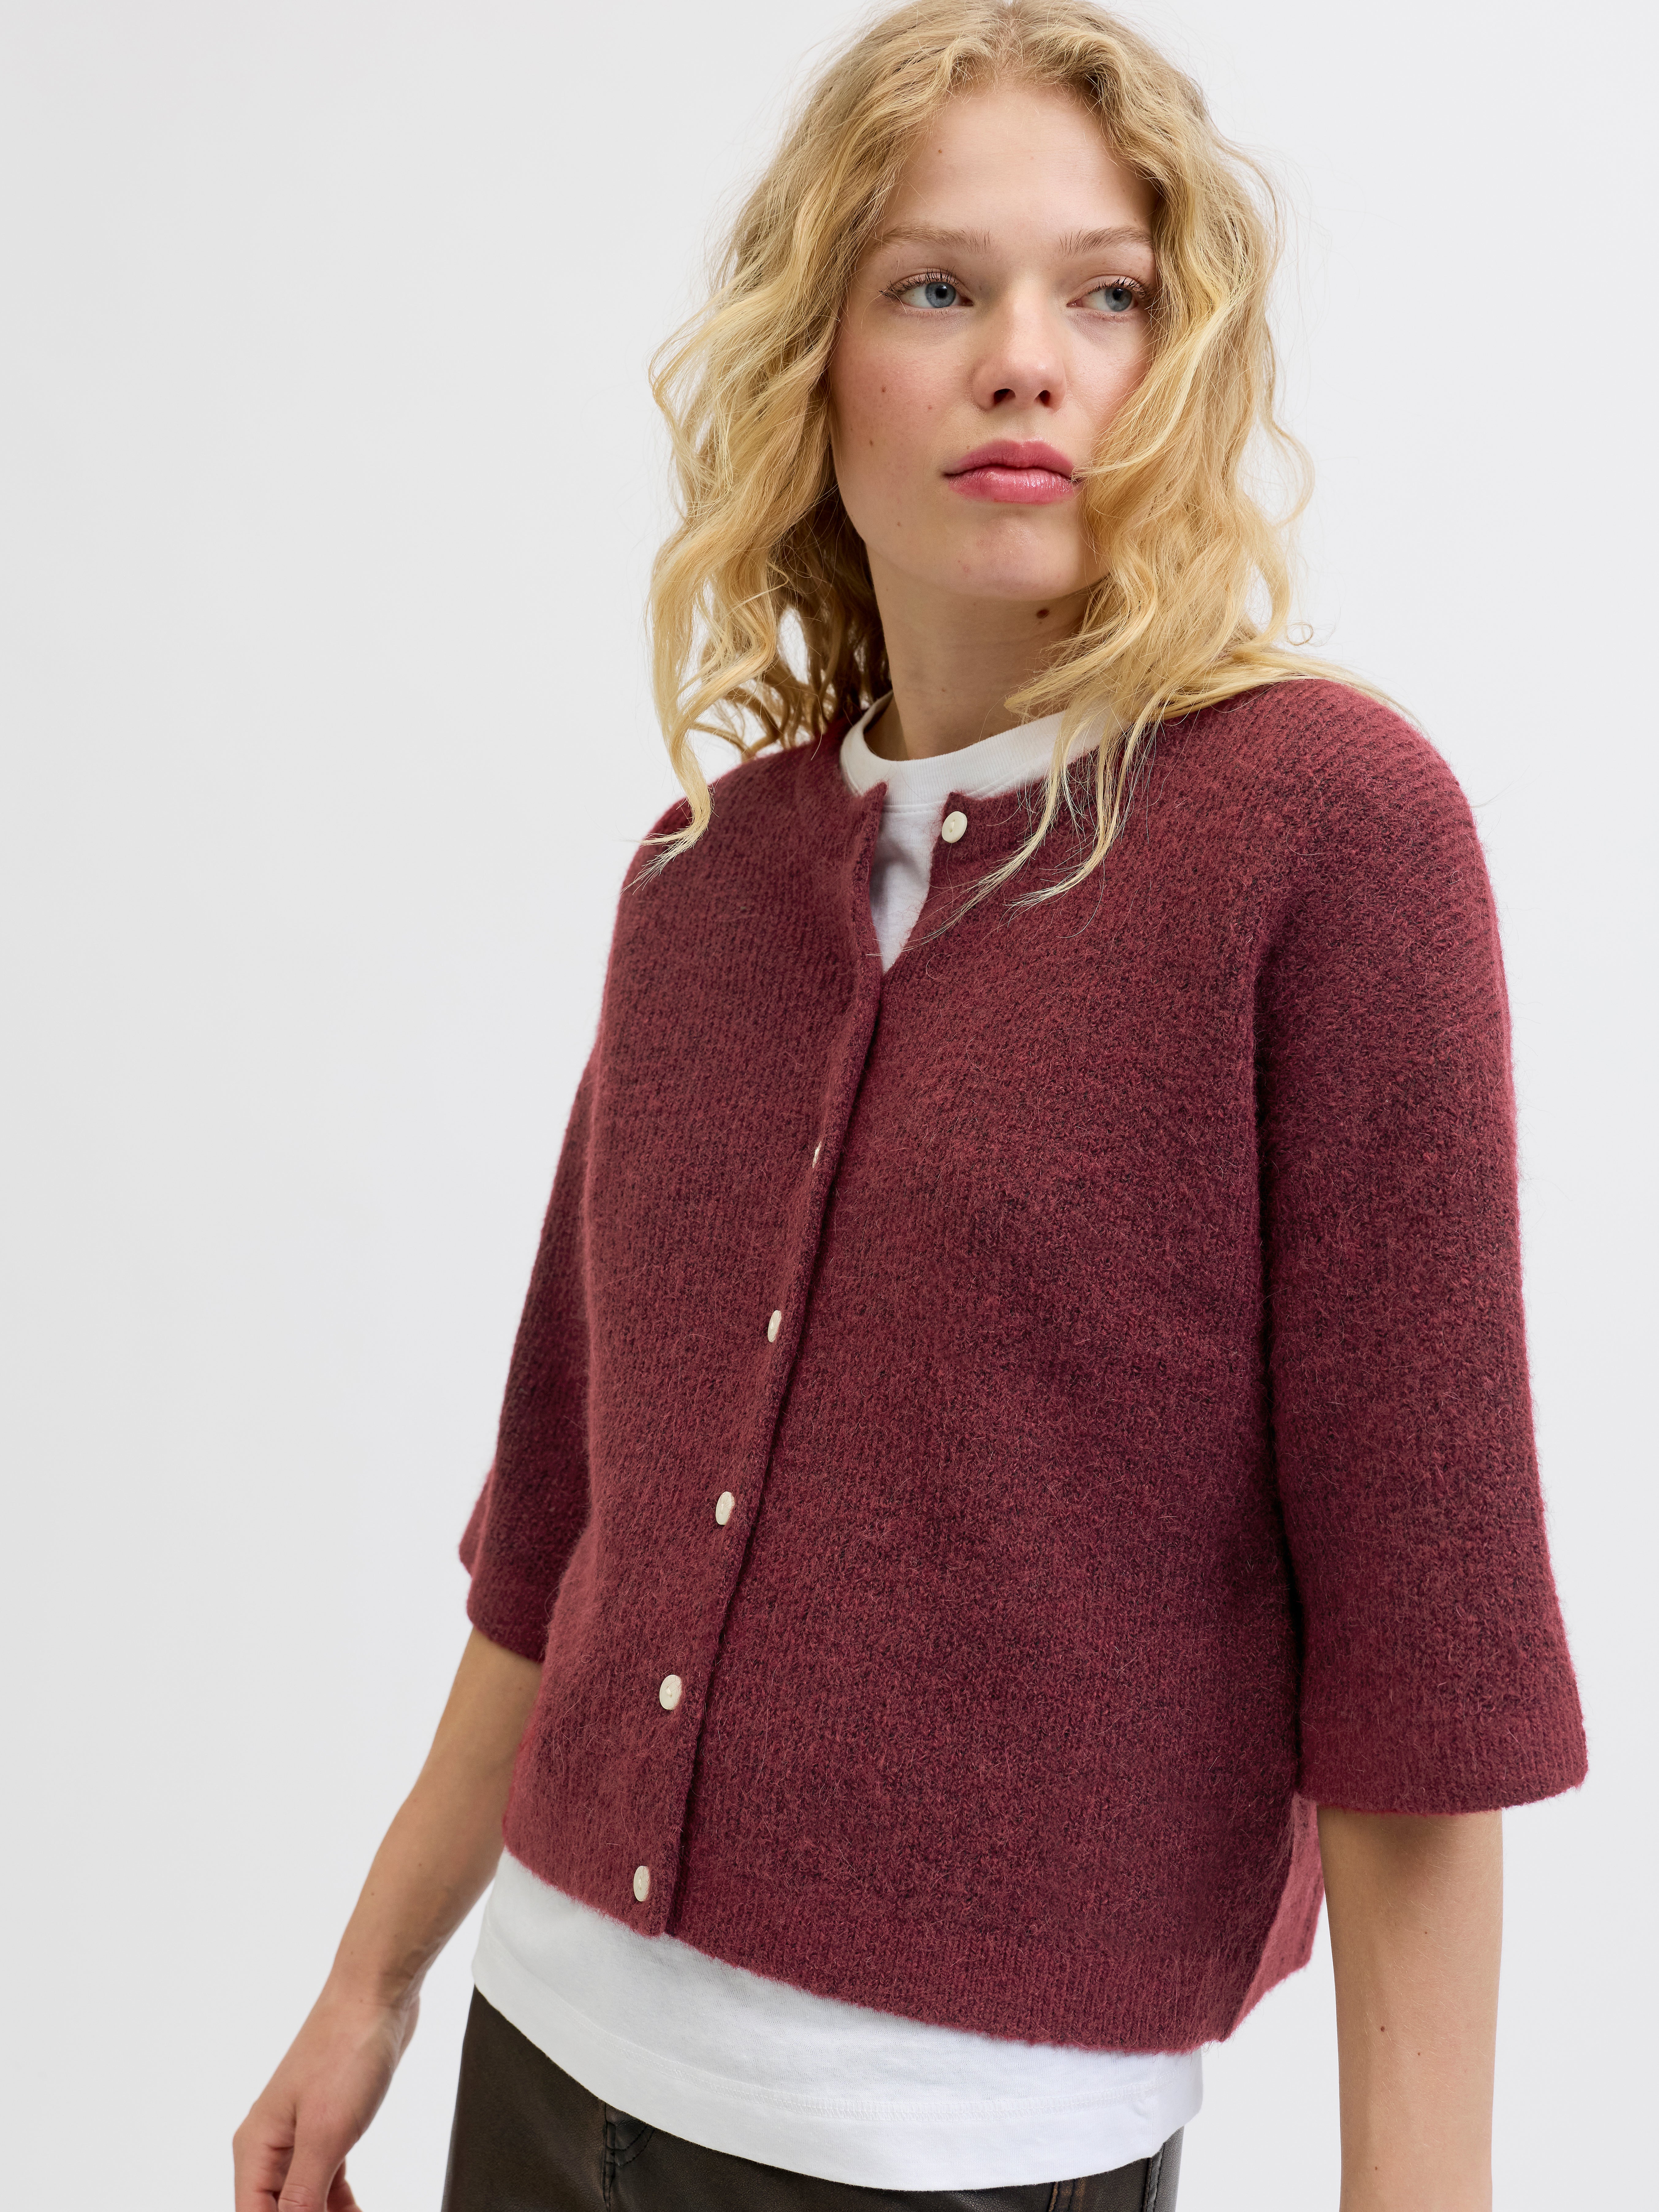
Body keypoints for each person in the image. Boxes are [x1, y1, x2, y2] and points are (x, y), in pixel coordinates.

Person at [232, 4, 1587, 2207]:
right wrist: (369, 1978)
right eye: (935, 287)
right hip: (542, 2056)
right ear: (817, 364)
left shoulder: (1322, 833)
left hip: (955, 2151)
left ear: (1180, 363)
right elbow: (559, 1517)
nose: (1024, 361)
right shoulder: (700, 881)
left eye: (1106, 293)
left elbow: (1423, 1659)